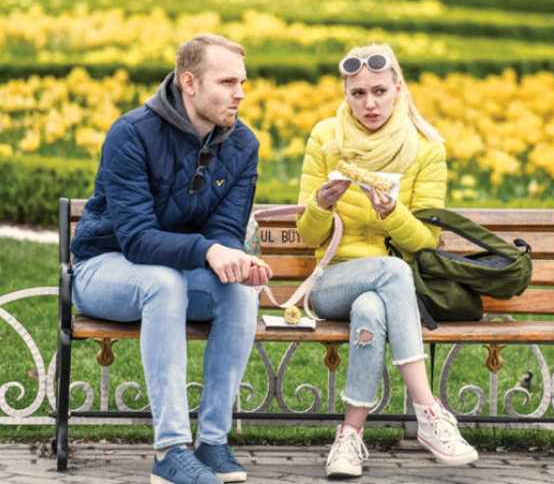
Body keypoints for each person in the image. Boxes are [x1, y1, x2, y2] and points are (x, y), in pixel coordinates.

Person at [70, 33, 272, 484]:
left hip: (177, 272)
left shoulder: (243, 145)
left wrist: (236, 260)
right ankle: (171, 450)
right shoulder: (131, 133)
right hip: (104, 267)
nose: (240, 93)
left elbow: (224, 231)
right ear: (189, 83)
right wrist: (208, 251)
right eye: (227, 82)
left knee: (240, 295)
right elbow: (138, 239)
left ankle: (214, 442)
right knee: (164, 283)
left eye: (243, 82)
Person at [296, 44, 479, 478]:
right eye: (357, 93)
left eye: (379, 90)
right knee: (389, 275)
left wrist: (390, 214)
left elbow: (425, 243)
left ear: (398, 88)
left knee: (371, 307)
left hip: (391, 289)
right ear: (346, 92)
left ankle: (349, 438)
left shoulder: (426, 147)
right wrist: (321, 206)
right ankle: (429, 412)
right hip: (331, 282)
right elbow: (307, 236)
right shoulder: (326, 138)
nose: (370, 103)